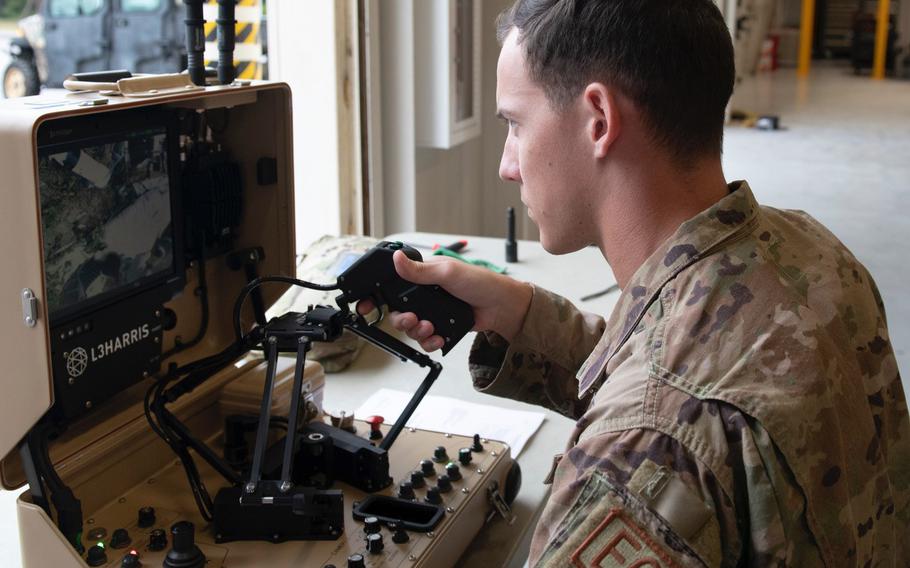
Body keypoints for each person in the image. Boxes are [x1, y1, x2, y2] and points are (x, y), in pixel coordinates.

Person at [363, 0, 910, 565]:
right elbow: (698, 373)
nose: (508, 164)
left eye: (515, 124)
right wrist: (517, 314)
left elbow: (671, 400)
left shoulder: (636, 456)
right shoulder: (811, 249)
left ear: (598, 120)